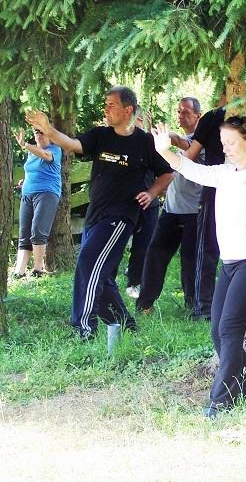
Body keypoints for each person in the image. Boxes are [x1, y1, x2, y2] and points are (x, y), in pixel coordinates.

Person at [152, 115, 246, 417]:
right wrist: (162, 150)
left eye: (232, 143)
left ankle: (219, 402)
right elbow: (189, 168)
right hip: (230, 264)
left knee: (230, 331)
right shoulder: (223, 173)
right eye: (223, 144)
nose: (227, 149)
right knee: (217, 333)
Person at [26, 86, 173, 340]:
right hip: (95, 215)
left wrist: (151, 193)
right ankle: (125, 324)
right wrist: (49, 131)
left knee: (88, 263)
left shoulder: (144, 141)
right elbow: (73, 144)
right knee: (100, 274)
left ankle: (84, 328)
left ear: (128, 110)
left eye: (112, 105)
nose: (106, 109)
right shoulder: (101, 135)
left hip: (120, 217)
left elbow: (167, 172)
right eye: (105, 104)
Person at [136, 97, 203, 312]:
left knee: (191, 261)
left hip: (195, 212)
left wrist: (168, 137)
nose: (180, 115)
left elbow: (181, 142)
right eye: (178, 111)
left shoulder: (204, 142)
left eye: (185, 112)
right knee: (155, 255)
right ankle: (145, 304)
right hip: (170, 211)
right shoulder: (177, 142)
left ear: (198, 116)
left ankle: (194, 305)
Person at [183, 98, 226, 320]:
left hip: (215, 187)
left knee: (207, 248)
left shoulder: (212, 117)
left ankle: (203, 307)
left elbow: (191, 154)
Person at [12, 127, 62, 277]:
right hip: (27, 193)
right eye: (36, 132)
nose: (39, 135)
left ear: (49, 136)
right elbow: (31, 170)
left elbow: (45, 156)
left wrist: (24, 144)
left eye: (42, 132)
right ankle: (19, 271)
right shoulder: (31, 153)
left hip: (47, 193)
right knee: (24, 232)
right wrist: (25, 181)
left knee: (38, 229)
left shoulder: (55, 149)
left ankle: (38, 269)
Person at [125, 107, 160, 299]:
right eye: (135, 120)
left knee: (143, 245)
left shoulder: (151, 143)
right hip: (124, 203)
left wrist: (152, 193)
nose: (138, 124)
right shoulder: (120, 140)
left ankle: (135, 282)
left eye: (142, 120)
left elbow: (165, 171)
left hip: (148, 202)